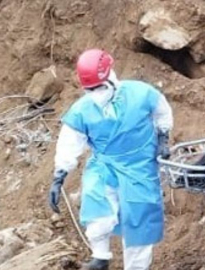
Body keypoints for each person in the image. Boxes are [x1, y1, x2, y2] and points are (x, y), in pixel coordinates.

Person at [47, 49, 173, 270]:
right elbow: (70, 141)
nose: (96, 93)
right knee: (97, 208)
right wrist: (59, 175)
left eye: (99, 88)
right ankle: (101, 256)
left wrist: (163, 136)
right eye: (90, 90)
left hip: (140, 167)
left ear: (111, 78)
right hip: (105, 166)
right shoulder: (82, 110)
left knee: (138, 223)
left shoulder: (141, 93)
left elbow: (162, 112)